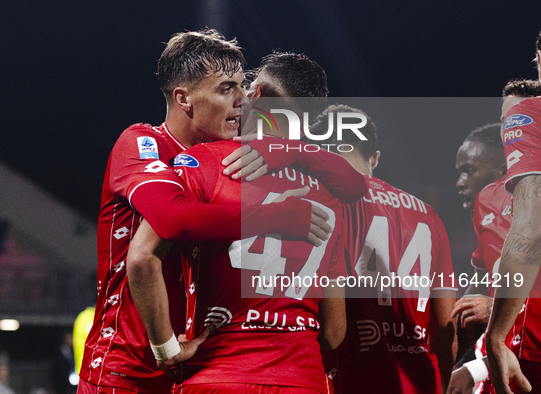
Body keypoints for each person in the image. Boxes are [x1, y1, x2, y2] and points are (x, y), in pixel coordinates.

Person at [79, 30, 326, 394]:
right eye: (227, 89)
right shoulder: (142, 144)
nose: (242, 100)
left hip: (192, 366)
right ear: (184, 99)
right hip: (127, 368)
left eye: (243, 87)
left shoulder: (224, 163)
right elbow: (173, 219)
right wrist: (280, 216)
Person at [127, 52, 367, 393]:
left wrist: (166, 348)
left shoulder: (204, 162)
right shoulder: (330, 193)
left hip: (219, 376)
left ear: (255, 94)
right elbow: (332, 333)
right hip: (303, 380)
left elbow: (140, 258)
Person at [318, 104, 457, 394]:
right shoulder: (429, 214)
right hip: (421, 380)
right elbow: (445, 327)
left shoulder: (324, 204)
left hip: (350, 378)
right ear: (375, 157)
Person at [448, 80, 541, 394]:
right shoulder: (487, 197)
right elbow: (482, 277)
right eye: (506, 121)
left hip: (523, 345)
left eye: (520, 117)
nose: (511, 129)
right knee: (456, 382)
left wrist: (497, 307)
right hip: (506, 346)